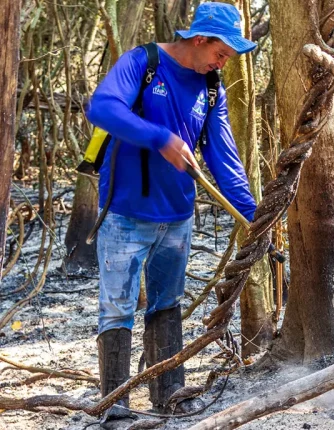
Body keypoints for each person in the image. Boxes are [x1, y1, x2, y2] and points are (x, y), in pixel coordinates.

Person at [85, 3, 257, 428]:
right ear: (199, 40)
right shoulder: (144, 63)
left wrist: (256, 219)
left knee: (167, 306)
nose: (224, 62)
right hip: (124, 215)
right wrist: (159, 137)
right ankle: (115, 408)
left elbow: (224, 160)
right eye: (222, 53)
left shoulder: (212, 87)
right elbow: (102, 107)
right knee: (117, 310)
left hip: (177, 218)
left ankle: (169, 398)